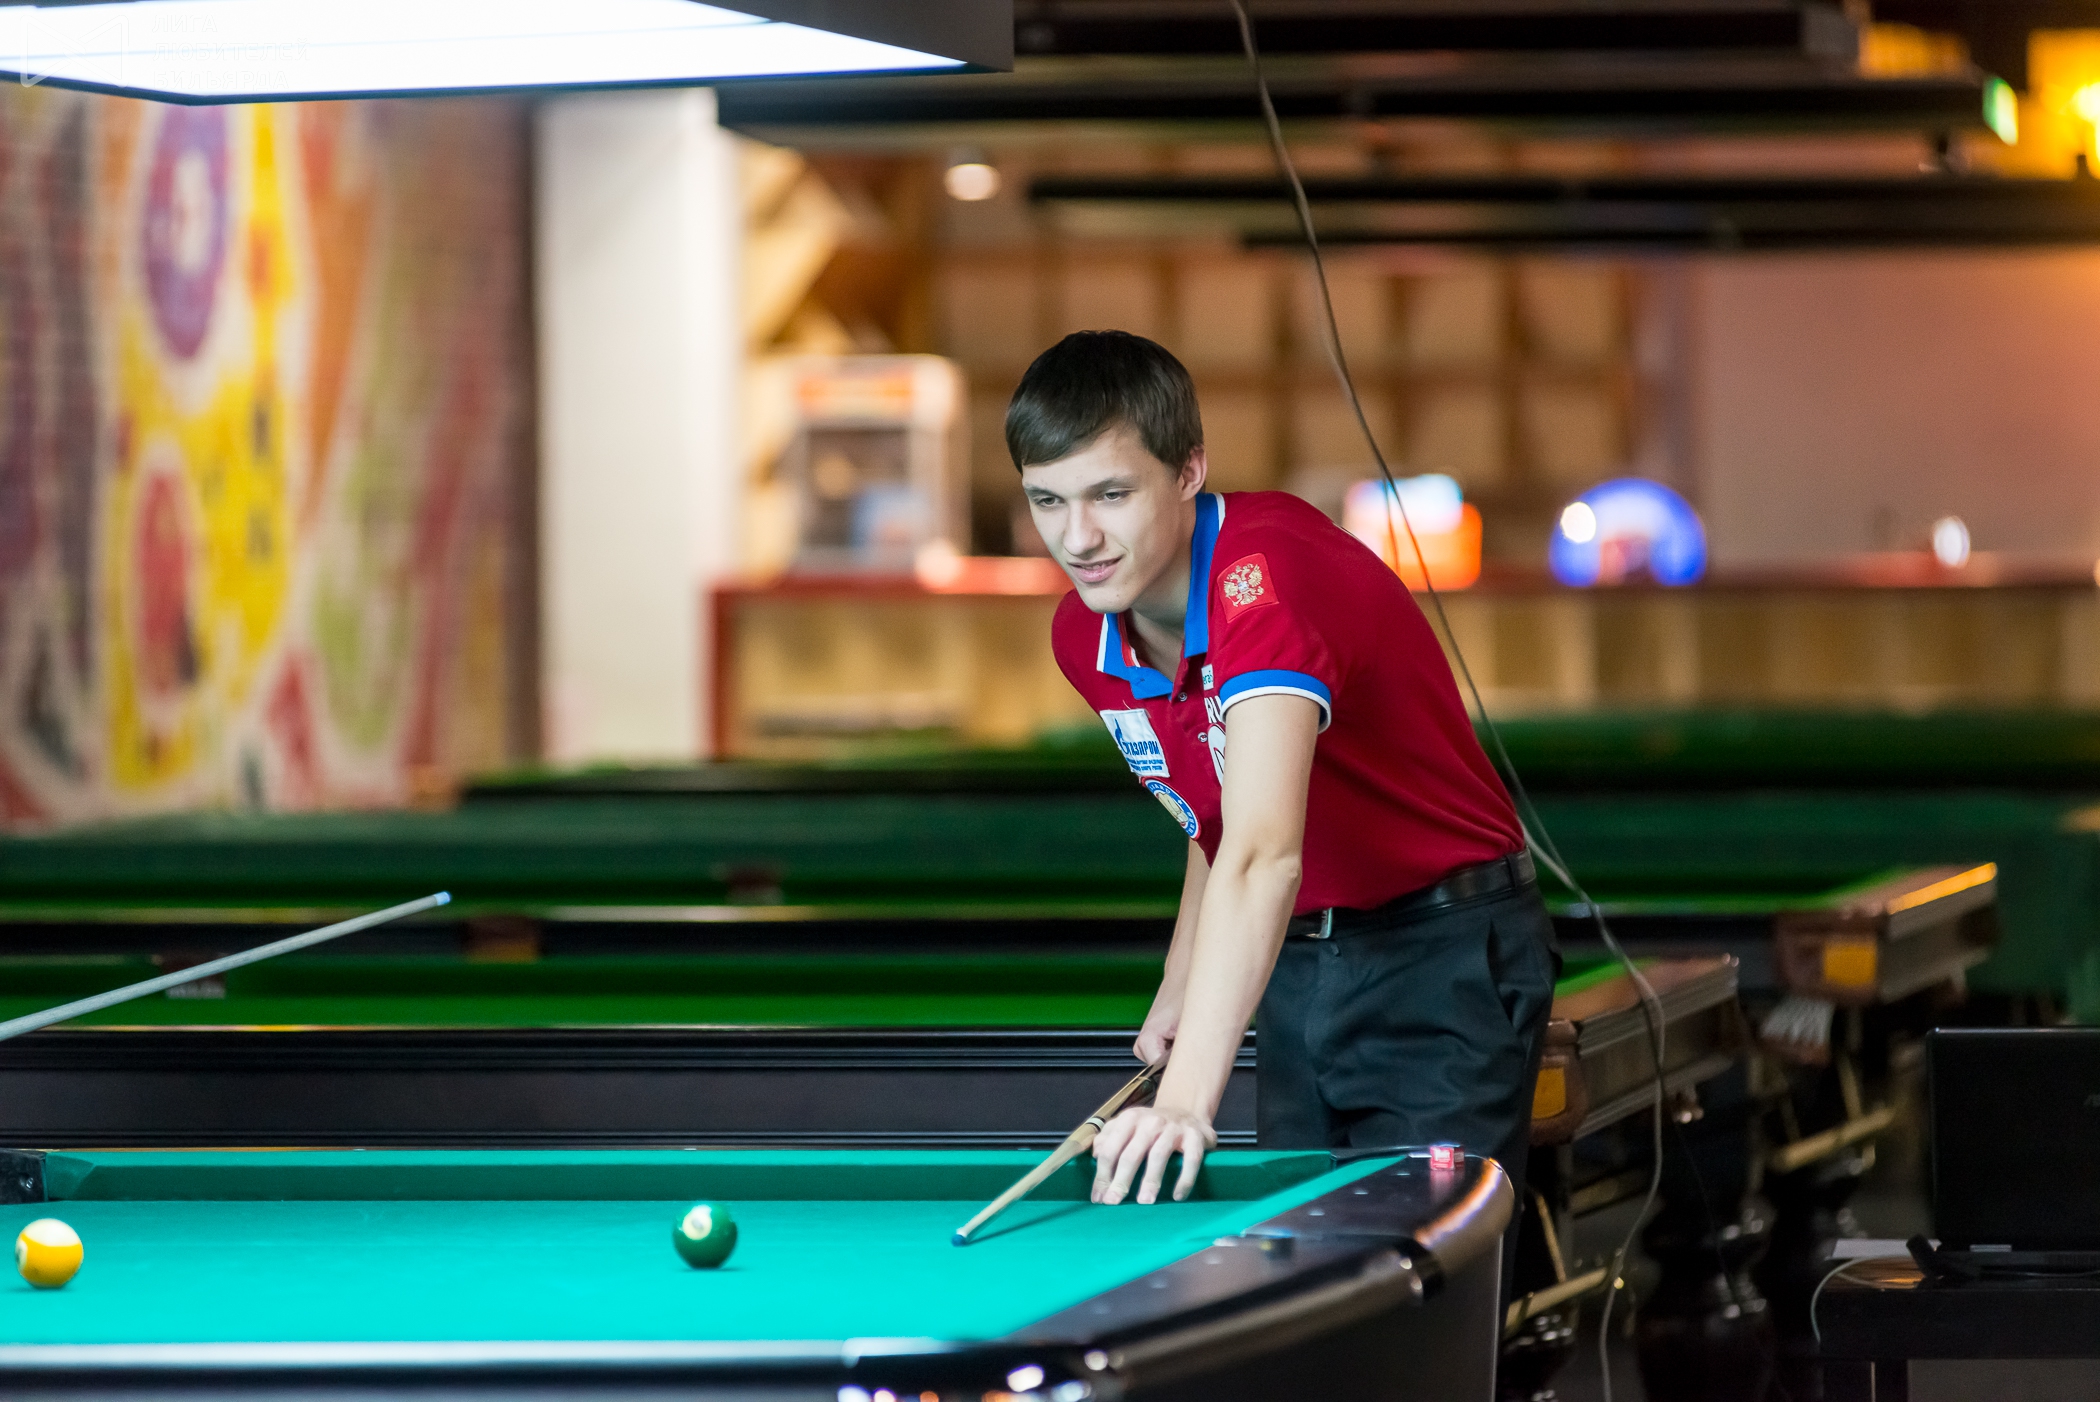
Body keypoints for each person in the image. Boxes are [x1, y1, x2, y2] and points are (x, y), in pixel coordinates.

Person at [1012, 329, 1558, 1220]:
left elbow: (1266, 852)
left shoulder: (1268, 578)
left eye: (1112, 494)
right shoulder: (1084, 637)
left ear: (1188, 471)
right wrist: (1183, 978)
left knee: (1413, 1267)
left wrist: (1186, 1100)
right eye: (1048, 500)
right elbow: (1215, 817)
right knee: (1299, 1258)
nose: (1079, 539)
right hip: (1298, 968)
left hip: (1442, 955)